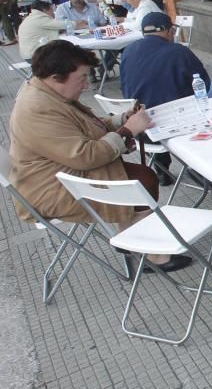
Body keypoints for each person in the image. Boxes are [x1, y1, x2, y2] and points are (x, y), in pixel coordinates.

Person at [9, 40, 189, 271]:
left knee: (141, 176)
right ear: (55, 76)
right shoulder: (38, 108)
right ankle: (150, 254)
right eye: (82, 78)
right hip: (50, 190)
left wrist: (121, 120)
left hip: (56, 173)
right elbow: (85, 155)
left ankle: (134, 240)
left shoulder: (46, 92)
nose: (85, 85)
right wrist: (128, 131)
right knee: (141, 180)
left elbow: (85, 129)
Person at [121, 12, 211, 186]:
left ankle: (161, 170)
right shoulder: (179, 51)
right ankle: (201, 169)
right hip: (175, 124)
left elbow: (125, 87)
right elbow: (203, 85)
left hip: (138, 126)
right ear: (168, 31)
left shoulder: (128, 50)